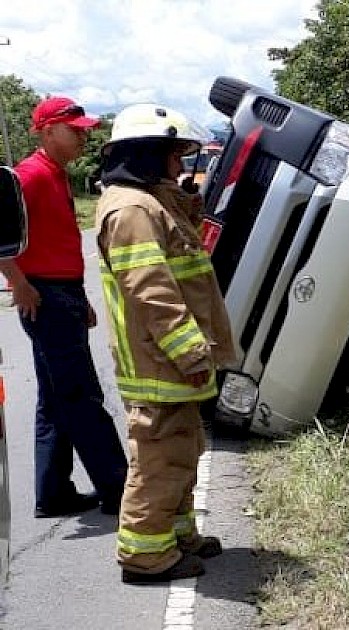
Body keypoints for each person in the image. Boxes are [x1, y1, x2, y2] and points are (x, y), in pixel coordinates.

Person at [95, 104, 236, 584]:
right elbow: (152, 292)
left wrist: (183, 200)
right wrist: (192, 352)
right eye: (173, 156)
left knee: (182, 450)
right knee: (160, 460)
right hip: (163, 364)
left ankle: (176, 536)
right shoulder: (132, 209)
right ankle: (144, 556)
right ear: (148, 155)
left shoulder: (147, 201)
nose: (180, 166)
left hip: (169, 363)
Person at [0, 96, 127, 518]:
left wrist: (82, 297)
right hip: (45, 297)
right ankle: (119, 488)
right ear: (49, 130)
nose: (84, 137)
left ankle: (52, 494)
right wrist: (17, 282)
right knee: (81, 396)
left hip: (61, 294)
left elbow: (61, 243)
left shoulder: (54, 175)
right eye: (76, 130)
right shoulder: (29, 177)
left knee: (55, 400)